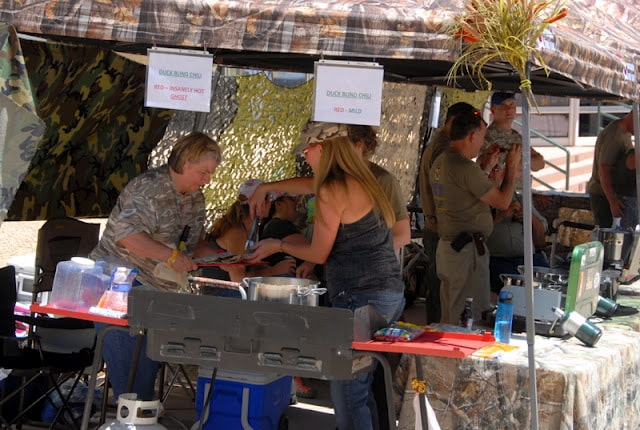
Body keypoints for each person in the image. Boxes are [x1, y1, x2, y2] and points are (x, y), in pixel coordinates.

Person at [246, 121, 405, 430]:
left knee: (347, 390)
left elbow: (319, 253)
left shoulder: (334, 188)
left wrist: (277, 244)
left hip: (363, 297)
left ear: (321, 149)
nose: (304, 157)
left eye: (306, 150)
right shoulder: (358, 177)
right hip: (386, 293)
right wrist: (267, 188)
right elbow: (307, 184)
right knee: (360, 385)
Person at [89, 131, 223, 401]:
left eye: (211, 173)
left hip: (155, 291)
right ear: (186, 163)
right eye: (204, 172)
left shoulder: (195, 198)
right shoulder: (151, 188)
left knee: (147, 373)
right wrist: (172, 258)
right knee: (133, 380)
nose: (208, 179)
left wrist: (228, 257)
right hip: (120, 286)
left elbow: (191, 245)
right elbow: (127, 236)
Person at [430, 110, 520, 324]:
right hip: (466, 252)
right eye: (481, 137)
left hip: (451, 247)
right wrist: (512, 167)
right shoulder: (464, 167)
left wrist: (485, 167)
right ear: (471, 136)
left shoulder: (442, 161)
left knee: (450, 310)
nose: (482, 143)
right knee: (467, 316)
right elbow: (502, 202)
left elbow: (463, 189)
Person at [418, 102, 482, 323]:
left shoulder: (441, 146)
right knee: (443, 295)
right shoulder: (444, 150)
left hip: (439, 227)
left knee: (442, 292)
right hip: (441, 229)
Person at [201, 179, 296, 282]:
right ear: (259, 203)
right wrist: (274, 270)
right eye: (270, 199)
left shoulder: (251, 227)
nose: (271, 203)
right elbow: (238, 280)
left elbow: (252, 266)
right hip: (221, 290)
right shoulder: (237, 232)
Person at [485, 163, 549, 304]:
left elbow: (542, 233)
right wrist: (502, 215)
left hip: (527, 259)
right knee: (515, 288)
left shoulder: (519, 198)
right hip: (498, 260)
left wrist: (528, 216)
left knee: (547, 281)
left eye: (499, 170)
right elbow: (478, 230)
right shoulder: (483, 200)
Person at [347, 124, 411, 260]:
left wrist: (367, 255)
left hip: (376, 264)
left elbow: (403, 234)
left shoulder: (384, 180)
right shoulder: (339, 178)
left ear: (359, 146)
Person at [477, 92, 545, 189]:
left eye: (512, 105)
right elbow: (483, 167)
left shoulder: (516, 137)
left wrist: (519, 162)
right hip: (500, 196)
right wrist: (517, 166)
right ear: (493, 110)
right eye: (503, 106)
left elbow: (540, 164)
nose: (509, 109)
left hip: (522, 196)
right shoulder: (486, 137)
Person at [587, 111, 637, 230]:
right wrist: (612, 200)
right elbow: (604, 169)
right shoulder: (614, 135)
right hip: (603, 195)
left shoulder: (625, 133)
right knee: (607, 236)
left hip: (612, 194)